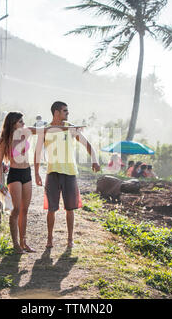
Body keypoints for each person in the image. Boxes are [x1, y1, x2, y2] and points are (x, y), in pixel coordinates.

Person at [34, 101, 101, 249]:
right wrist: (37, 173)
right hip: (53, 172)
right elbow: (37, 152)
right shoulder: (45, 130)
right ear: (56, 112)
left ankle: (70, 239)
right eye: (65, 111)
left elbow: (88, 145)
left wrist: (94, 160)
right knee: (51, 209)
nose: (67, 113)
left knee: (70, 209)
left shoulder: (70, 128)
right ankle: (50, 239)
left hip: (70, 172)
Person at [0, 112, 38, 254]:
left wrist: (67, 128)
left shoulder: (25, 134)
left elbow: (42, 129)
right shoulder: (4, 140)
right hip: (15, 174)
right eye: (20, 121)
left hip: (27, 172)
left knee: (25, 210)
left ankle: (24, 242)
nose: (23, 124)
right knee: (16, 210)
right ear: (13, 123)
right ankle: (15, 244)